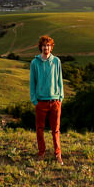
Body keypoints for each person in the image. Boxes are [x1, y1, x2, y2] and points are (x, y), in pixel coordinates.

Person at [30, 34, 64, 164]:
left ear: (51, 47)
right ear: (41, 47)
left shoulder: (56, 61)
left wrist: (60, 97)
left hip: (55, 101)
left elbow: (59, 80)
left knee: (55, 130)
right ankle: (41, 153)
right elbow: (32, 83)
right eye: (44, 45)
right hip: (41, 102)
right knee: (40, 129)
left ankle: (58, 154)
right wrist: (34, 100)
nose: (46, 48)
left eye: (48, 45)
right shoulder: (34, 63)